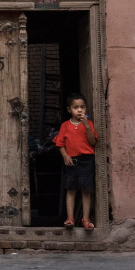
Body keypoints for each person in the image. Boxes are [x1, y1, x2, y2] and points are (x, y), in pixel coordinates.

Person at [54, 93, 99, 232]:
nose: (79, 110)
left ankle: (85, 218)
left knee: (86, 190)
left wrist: (86, 126)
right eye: (76, 107)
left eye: (82, 107)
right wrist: (65, 156)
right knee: (71, 190)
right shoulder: (65, 126)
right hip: (72, 161)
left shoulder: (89, 124)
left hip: (86, 161)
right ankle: (70, 218)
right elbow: (60, 143)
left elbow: (93, 142)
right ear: (69, 110)